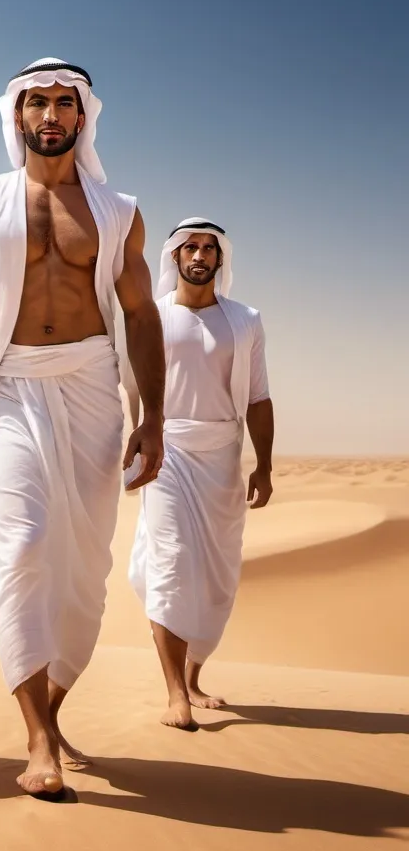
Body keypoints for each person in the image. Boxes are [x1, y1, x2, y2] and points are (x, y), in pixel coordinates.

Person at [0, 58, 166, 799]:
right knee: (24, 545)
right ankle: (38, 740)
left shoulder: (119, 212)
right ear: (18, 115)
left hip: (94, 385)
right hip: (11, 385)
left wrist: (152, 412)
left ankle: (52, 708)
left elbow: (140, 314)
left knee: (84, 568)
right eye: (39, 102)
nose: (52, 115)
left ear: (83, 116)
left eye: (66, 103)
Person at [127, 220, 273, 730]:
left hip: (223, 457)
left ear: (220, 259)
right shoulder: (152, 317)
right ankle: (175, 695)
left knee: (216, 577)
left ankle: (192, 676)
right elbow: (131, 387)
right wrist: (140, 441)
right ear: (175, 255)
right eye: (192, 245)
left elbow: (258, 397)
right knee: (171, 563)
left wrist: (266, 464)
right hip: (167, 451)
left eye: (211, 248)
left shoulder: (245, 320)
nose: (201, 254)